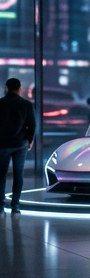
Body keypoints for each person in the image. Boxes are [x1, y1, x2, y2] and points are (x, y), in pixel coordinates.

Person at [0, 77, 34, 214]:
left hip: (2, 145)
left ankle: (0, 206)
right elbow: (32, 125)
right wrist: (29, 140)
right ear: (20, 89)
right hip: (20, 144)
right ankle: (15, 205)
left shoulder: (0, 103)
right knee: (18, 174)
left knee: (1, 175)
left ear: (6, 88)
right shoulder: (26, 104)